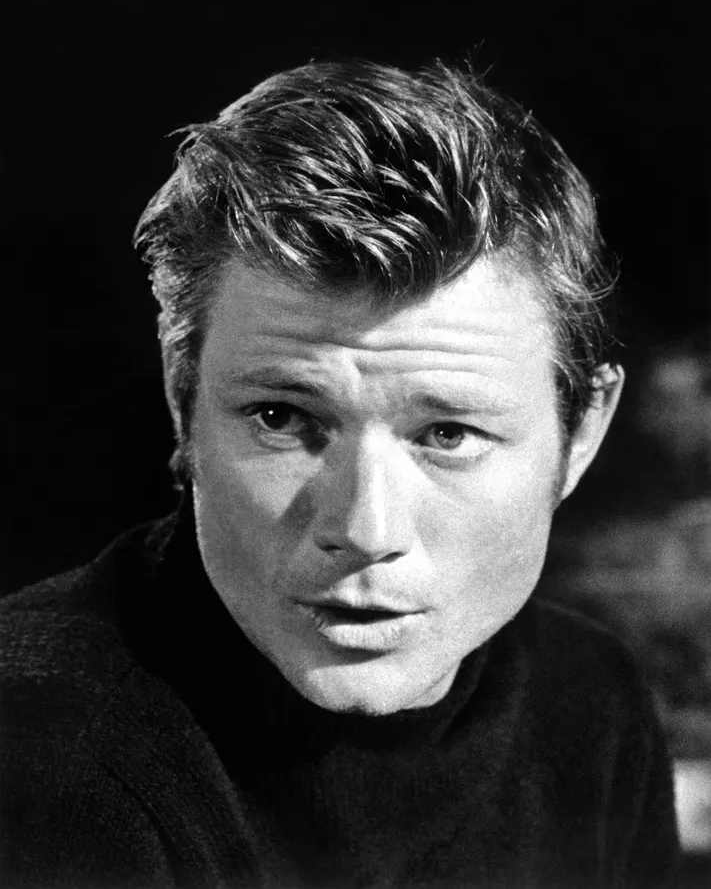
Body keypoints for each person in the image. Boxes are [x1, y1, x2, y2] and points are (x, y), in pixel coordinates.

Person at [0, 60, 680, 888]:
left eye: (448, 434)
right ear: (184, 409)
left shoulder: (590, 700)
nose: (364, 530)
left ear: (581, 434)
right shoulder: (40, 758)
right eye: (282, 419)